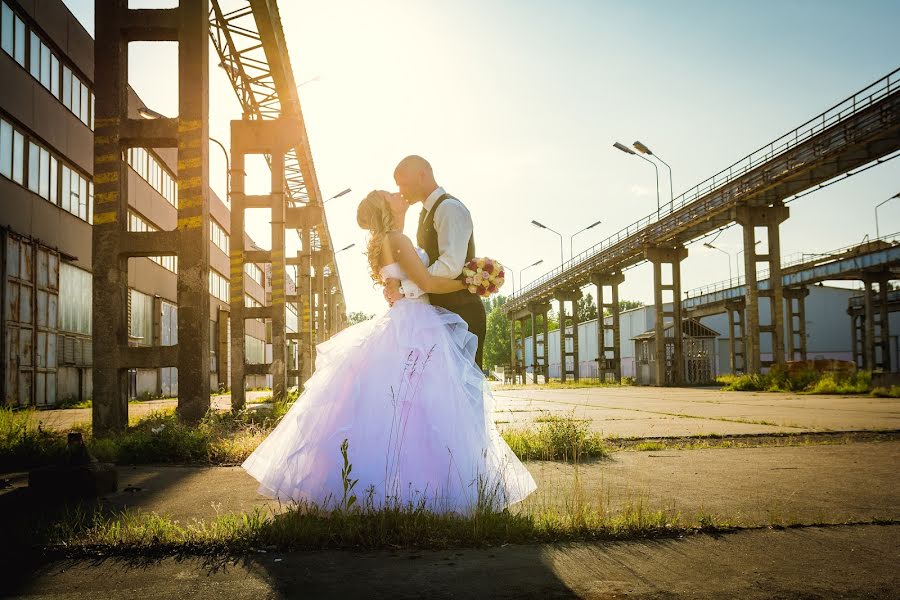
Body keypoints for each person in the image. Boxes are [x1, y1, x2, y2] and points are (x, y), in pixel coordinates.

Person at [241, 190, 535, 513]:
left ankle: (400, 489)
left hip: (404, 319)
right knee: (426, 407)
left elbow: (408, 282)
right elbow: (428, 282)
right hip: (416, 322)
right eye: (391, 194)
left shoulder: (387, 241)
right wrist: (472, 282)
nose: (400, 195)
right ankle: (427, 490)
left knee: (405, 410)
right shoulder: (398, 239)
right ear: (387, 208)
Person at [385, 156, 487, 369]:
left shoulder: (449, 208)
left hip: (461, 312)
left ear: (422, 176)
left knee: (463, 389)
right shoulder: (425, 213)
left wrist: (406, 288)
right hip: (441, 313)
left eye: (403, 183)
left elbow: (450, 266)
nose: (401, 190)